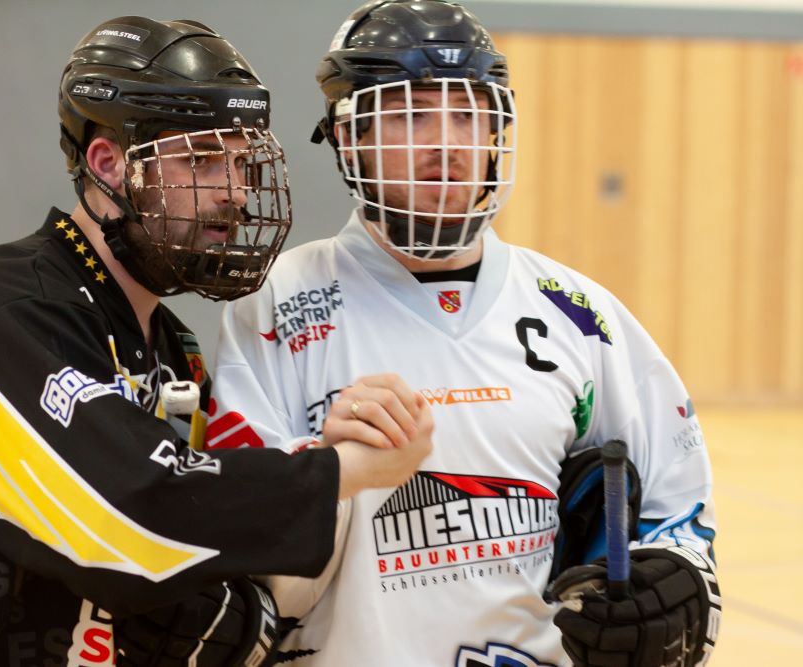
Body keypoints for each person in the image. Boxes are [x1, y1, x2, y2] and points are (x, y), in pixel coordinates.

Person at [0, 16, 435, 667]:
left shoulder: (172, 350)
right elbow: (126, 515)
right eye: (201, 159)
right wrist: (339, 471)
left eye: (242, 162)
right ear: (108, 164)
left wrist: (317, 454)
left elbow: (189, 548)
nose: (236, 194)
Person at [209, 1, 722, 665]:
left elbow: (675, 499)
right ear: (348, 137)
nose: (446, 143)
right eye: (410, 114)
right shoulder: (273, 306)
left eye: (468, 113)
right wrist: (322, 468)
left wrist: (671, 592)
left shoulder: (578, 312)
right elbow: (245, 563)